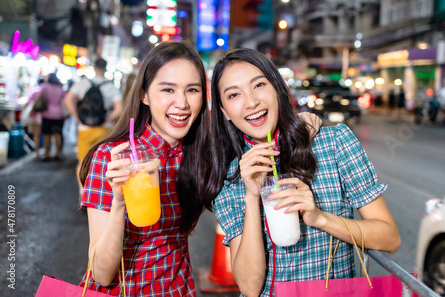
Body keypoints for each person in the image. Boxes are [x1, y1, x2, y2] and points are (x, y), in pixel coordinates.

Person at [77, 42, 321, 296]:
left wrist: (303, 122)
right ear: (144, 95)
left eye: (192, 90)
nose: (181, 103)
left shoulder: (204, 154)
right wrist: (119, 202)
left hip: (177, 289)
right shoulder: (113, 159)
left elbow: (257, 141)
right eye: (167, 89)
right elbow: (102, 274)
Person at [205, 48, 401, 297]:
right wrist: (252, 197)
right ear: (224, 112)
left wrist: (319, 218)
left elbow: (389, 238)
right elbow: (249, 287)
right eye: (234, 94)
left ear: (277, 88)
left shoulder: (334, 143)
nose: (251, 102)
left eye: (259, 85)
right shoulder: (231, 177)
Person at [65, 57, 123, 193]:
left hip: (85, 128)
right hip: (104, 129)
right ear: (105, 68)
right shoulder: (111, 87)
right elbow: (119, 109)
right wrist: (108, 118)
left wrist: (77, 117)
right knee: (104, 162)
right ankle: (100, 192)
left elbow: (68, 100)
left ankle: (82, 191)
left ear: (94, 67)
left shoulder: (82, 83)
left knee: (83, 160)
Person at [37, 73, 66, 160]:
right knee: (57, 134)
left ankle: (47, 153)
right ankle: (57, 153)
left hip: (46, 114)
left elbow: (38, 97)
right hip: (58, 114)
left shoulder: (45, 87)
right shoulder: (59, 89)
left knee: (47, 135)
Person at [23, 78, 45, 159]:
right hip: (45, 116)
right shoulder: (46, 91)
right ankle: (45, 151)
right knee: (46, 134)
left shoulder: (35, 91)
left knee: (36, 134)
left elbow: (28, 103)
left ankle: (37, 151)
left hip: (35, 116)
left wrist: (23, 113)